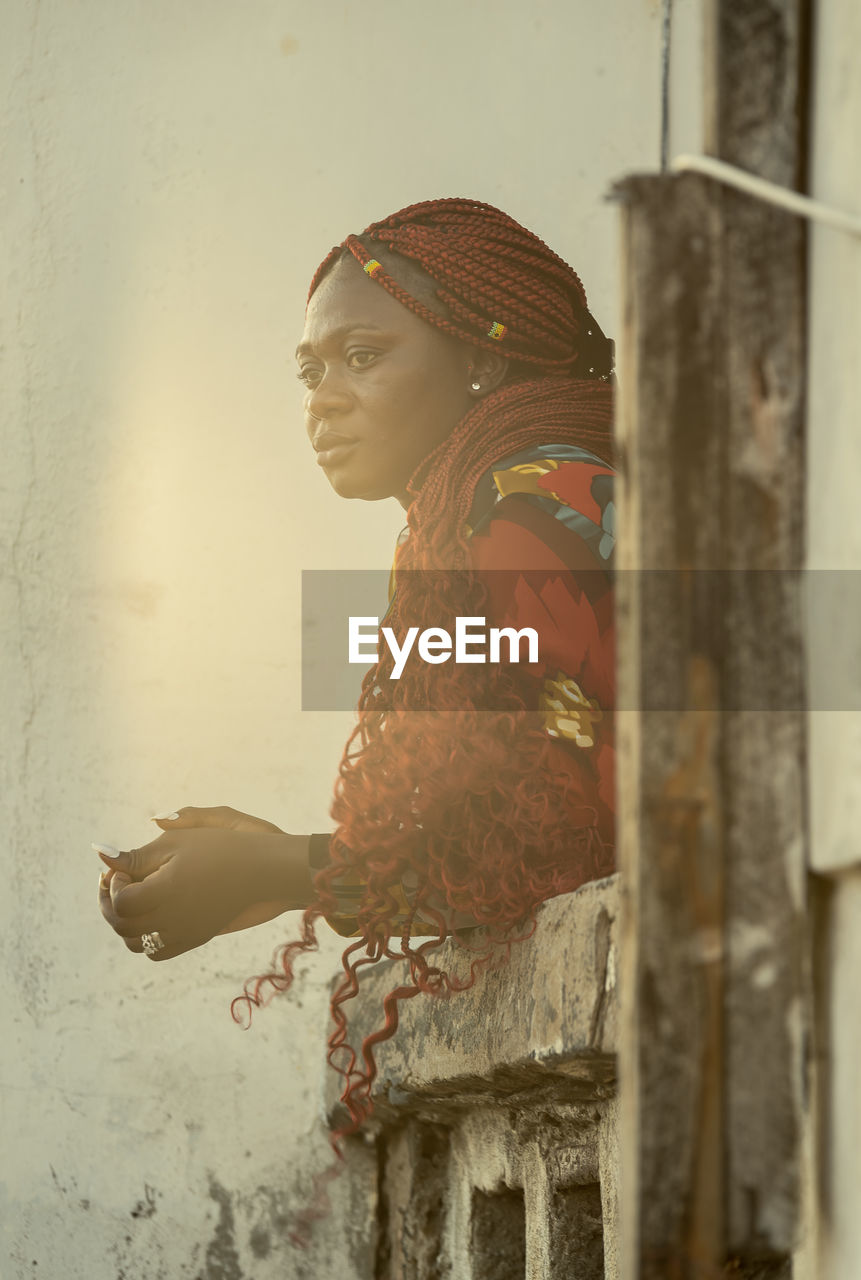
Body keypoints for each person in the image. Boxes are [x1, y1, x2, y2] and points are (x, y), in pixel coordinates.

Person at [96, 197, 616, 1138]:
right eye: (310, 370)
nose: (322, 399)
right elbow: (520, 826)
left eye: (363, 357)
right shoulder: (476, 511)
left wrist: (280, 867)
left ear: (484, 359)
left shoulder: (538, 507)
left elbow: (566, 842)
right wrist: (272, 870)